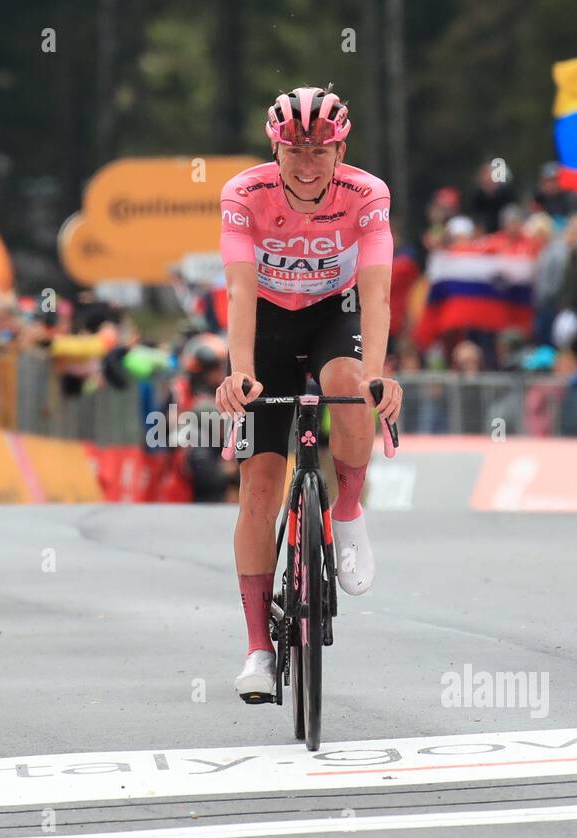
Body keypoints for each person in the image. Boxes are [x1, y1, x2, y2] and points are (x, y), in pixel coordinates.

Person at [215, 85, 402, 703]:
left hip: (333, 314)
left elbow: (376, 293)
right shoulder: (244, 194)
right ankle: (257, 650)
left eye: (320, 150)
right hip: (267, 323)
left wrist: (377, 373)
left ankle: (346, 509)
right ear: (275, 148)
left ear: (341, 150)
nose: (305, 163)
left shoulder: (366, 194)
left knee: (348, 386)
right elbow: (240, 292)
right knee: (260, 490)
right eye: (293, 148)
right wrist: (240, 372)